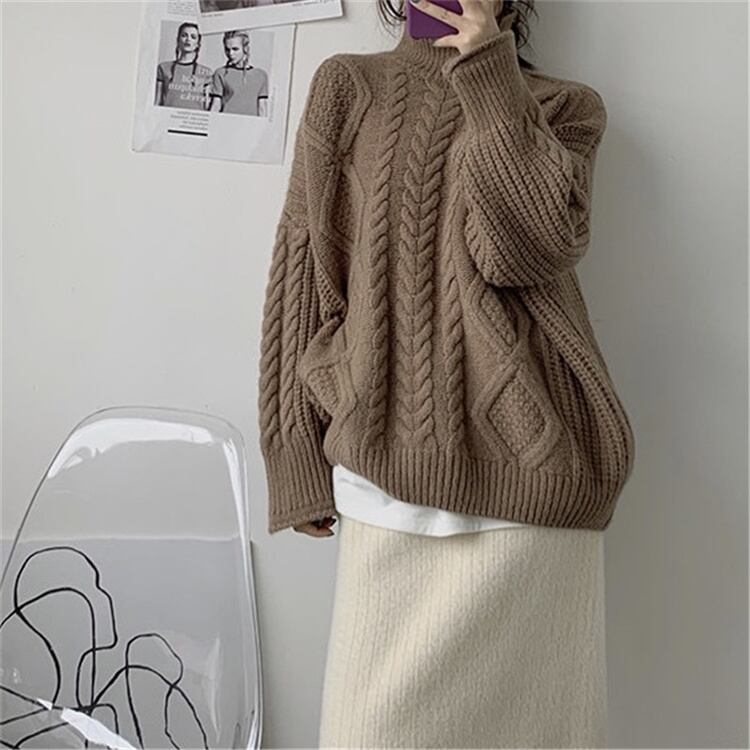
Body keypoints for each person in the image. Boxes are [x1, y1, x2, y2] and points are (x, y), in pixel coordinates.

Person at [257, 0, 636, 746]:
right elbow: (305, 268)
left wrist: (489, 71)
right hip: (384, 481)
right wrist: (293, 455)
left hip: (532, 498)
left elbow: (522, 252)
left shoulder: (565, 107)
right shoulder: (347, 87)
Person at [209, 30, 269, 116]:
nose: (231, 53)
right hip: (224, 121)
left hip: (249, 123)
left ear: (245, 48)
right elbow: (216, 106)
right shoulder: (220, 73)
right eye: (227, 49)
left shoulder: (261, 75)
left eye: (235, 49)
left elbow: (262, 109)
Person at [154, 22, 213, 110]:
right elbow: (157, 102)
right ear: (178, 40)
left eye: (193, 37)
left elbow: (207, 106)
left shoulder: (206, 72)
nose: (188, 39)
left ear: (198, 43)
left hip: (194, 117)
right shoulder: (163, 68)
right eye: (184, 35)